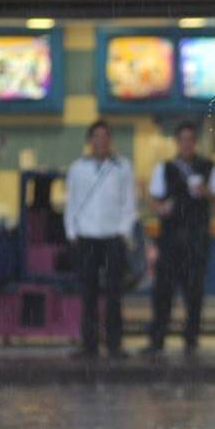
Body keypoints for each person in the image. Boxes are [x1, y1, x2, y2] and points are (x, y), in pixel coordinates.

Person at [141, 120, 215, 359]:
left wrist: (206, 193)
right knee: (163, 292)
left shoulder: (208, 167)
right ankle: (158, 339)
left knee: (194, 293)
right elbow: (154, 201)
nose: (187, 144)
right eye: (183, 140)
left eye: (190, 139)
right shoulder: (165, 168)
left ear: (195, 142)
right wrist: (163, 208)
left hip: (197, 240)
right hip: (169, 240)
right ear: (176, 143)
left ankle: (191, 339)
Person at [64, 120, 136, 360]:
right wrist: (71, 233)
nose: (101, 141)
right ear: (89, 141)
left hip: (113, 238)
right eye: (96, 136)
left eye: (105, 137)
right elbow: (71, 203)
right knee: (88, 294)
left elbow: (129, 202)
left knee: (115, 294)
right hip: (86, 238)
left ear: (110, 140)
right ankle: (89, 345)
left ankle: (115, 344)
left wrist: (124, 231)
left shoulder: (122, 167)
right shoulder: (77, 168)